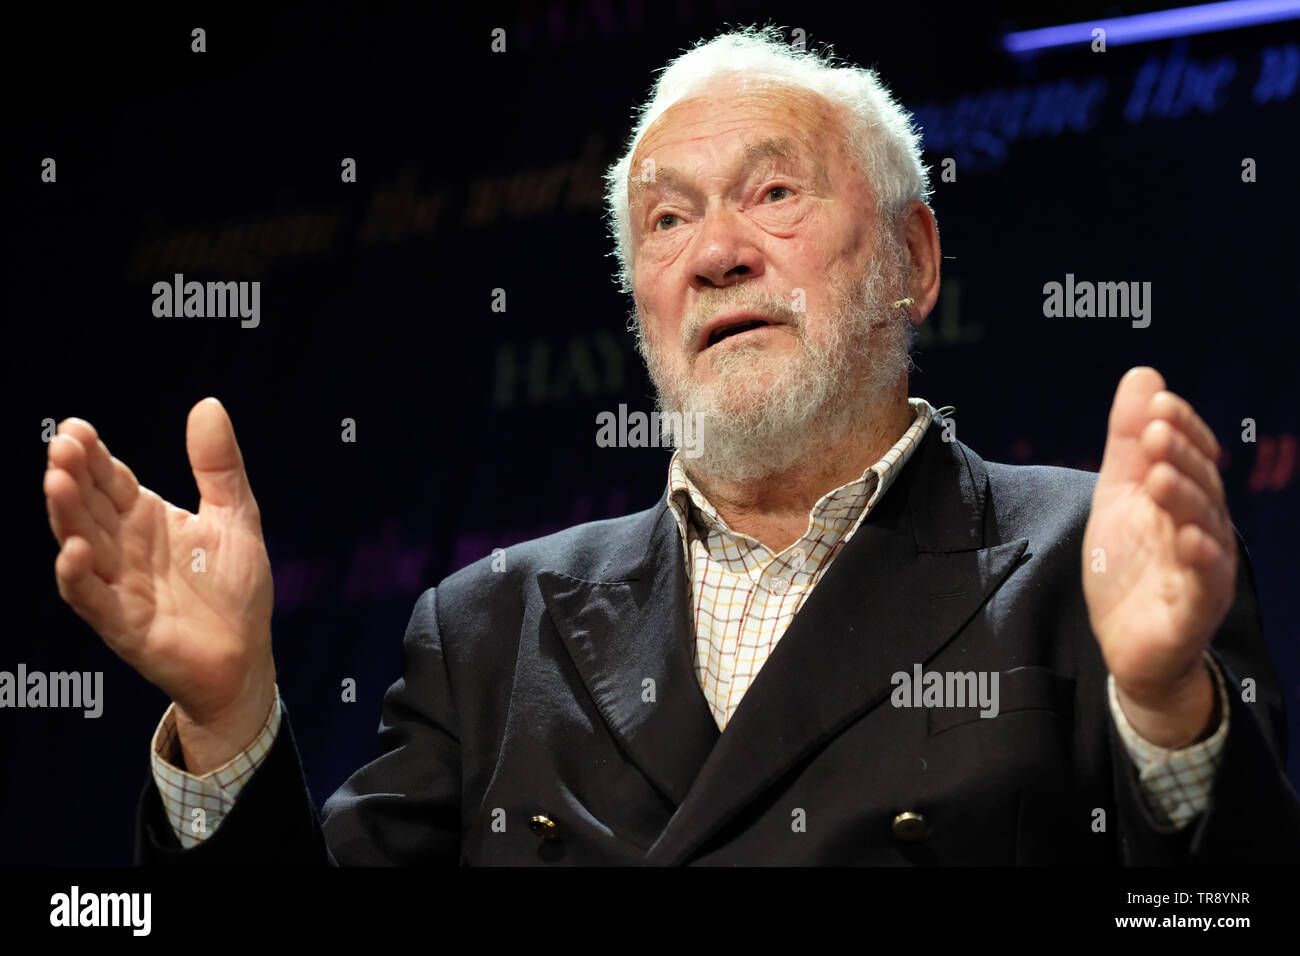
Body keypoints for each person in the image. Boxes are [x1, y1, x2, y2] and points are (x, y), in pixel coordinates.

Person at [44, 27, 1299, 865]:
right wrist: (226, 721)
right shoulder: (487, 627)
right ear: (639, 295)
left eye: (772, 193)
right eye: (666, 218)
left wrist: (1161, 714)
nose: (714, 252)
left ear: (913, 259)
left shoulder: (1092, 556)